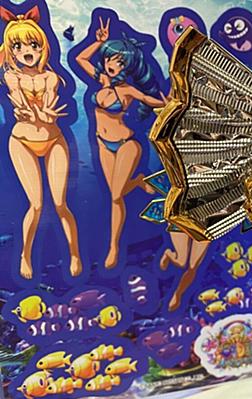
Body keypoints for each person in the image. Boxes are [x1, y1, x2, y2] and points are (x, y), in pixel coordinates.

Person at [75, 17, 165, 269]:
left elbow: (150, 100)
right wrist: (98, 42)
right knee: (117, 196)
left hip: (126, 144)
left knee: (116, 195)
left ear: (128, 66)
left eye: (118, 61)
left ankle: (114, 248)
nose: (110, 64)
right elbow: (80, 59)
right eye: (108, 58)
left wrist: (168, 102)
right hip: (103, 144)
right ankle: (137, 182)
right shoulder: (101, 79)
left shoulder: (128, 90)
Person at [0, 6, 81, 279]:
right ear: (10, 50)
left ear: (42, 46)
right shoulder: (11, 76)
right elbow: (18, 99)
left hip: (54, 139)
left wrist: (44, 113)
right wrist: (30, 111)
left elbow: (48, 103)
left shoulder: (51, 77)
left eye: (33, 44)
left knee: (60, 204)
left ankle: (74, 254)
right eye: (19, 46)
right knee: (35, 205)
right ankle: (25, 255)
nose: (27, 51)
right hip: (22, 142)